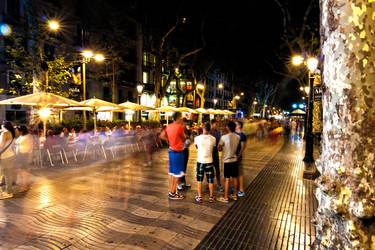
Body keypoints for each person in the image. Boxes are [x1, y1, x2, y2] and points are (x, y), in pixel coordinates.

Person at [159, 112, 186, 200]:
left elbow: (161, 136)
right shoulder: (179, 127)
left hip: (171, 151)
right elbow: (184, 138)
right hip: (178, 152)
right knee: (177, 174)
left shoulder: (169, 126)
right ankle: (173, 193)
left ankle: (171, 191)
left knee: (172, 173)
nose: (182, 118)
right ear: (178, 118)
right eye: (181, 117)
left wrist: (169, 140)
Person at [216, 121, 240, 203]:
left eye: (226, 126)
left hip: (227, 161)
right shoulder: (238, 137)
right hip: (235, 160)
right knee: (235, 178)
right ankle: (234, 195)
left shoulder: (223, 137)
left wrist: (222, 147)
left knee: (227, 180)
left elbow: (219, 148)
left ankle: (225, 197)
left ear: (228, 127)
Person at [194, 122, 216, 203]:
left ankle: (200, 197)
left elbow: (196, 147)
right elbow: (213, 149)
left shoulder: (197, 138)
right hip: (209, 161)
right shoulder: (213, 139)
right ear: (210, 129)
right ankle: (211, 197)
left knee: (199, 179)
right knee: (210, 179)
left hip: (200, 161)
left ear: (203, 128)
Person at [15, 125, 33, 192]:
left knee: (24, 171)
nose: (16, 131)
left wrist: (28, 157)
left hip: (24, 155)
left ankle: (24, 186)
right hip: (20, 155)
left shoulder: (28, 136)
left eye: (17, 130)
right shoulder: (21, 136)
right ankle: (24, 184)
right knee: (21, 171)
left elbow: (30, 148)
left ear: (21, 131)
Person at [0, 120, 16, 199]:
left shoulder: (4, 133)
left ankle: (9, 192)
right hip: (11, 155)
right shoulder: (12, 133)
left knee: (6, 175)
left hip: (4, 156)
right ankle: (8, 191)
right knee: (8, 175)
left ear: (4, 126)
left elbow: (1, 146)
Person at [178, 117, 192, 191]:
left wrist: (189, 141)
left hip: (186, 149)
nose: (185, 124)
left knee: (184, 167)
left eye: (186, 123)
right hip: (180, 150)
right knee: (180, 167)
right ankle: (179, 183)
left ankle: (183, 182)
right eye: (183, 123)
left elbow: (190, 138)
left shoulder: (187, 130)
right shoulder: (179, 130)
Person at [210, 119, 223, 192]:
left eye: (218, 125)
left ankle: (219, 184)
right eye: (216, 124)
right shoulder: (208, 132)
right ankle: (210, 183)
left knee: (217, 169)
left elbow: (219, 143)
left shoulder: (218, 132)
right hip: (209, 154)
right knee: (210, 170)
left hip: (215, 153)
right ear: (212, 124)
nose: (218, 126)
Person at [235, 121, 247, 197]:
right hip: (234, 156)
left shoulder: (242, 135)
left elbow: (242, 147)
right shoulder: (236, 133)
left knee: (240, 172)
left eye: (235, 124)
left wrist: (238, 155)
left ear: (239, 126)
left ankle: (241, 189)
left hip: (238, 156)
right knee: (236, 173)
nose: (234, 125)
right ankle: (236, 188)